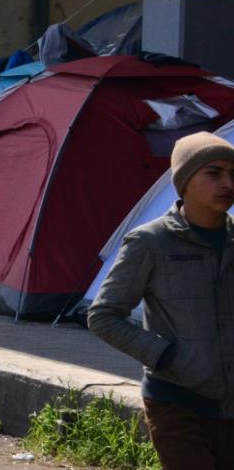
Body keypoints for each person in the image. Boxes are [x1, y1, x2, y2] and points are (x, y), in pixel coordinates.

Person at [88, 132, 234, 467]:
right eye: (214, 173)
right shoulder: (151, 242)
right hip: (177, 402)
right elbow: (104, 315)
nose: (227, 182)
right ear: (184, 181)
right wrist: (165, 355)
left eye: (233, 174)